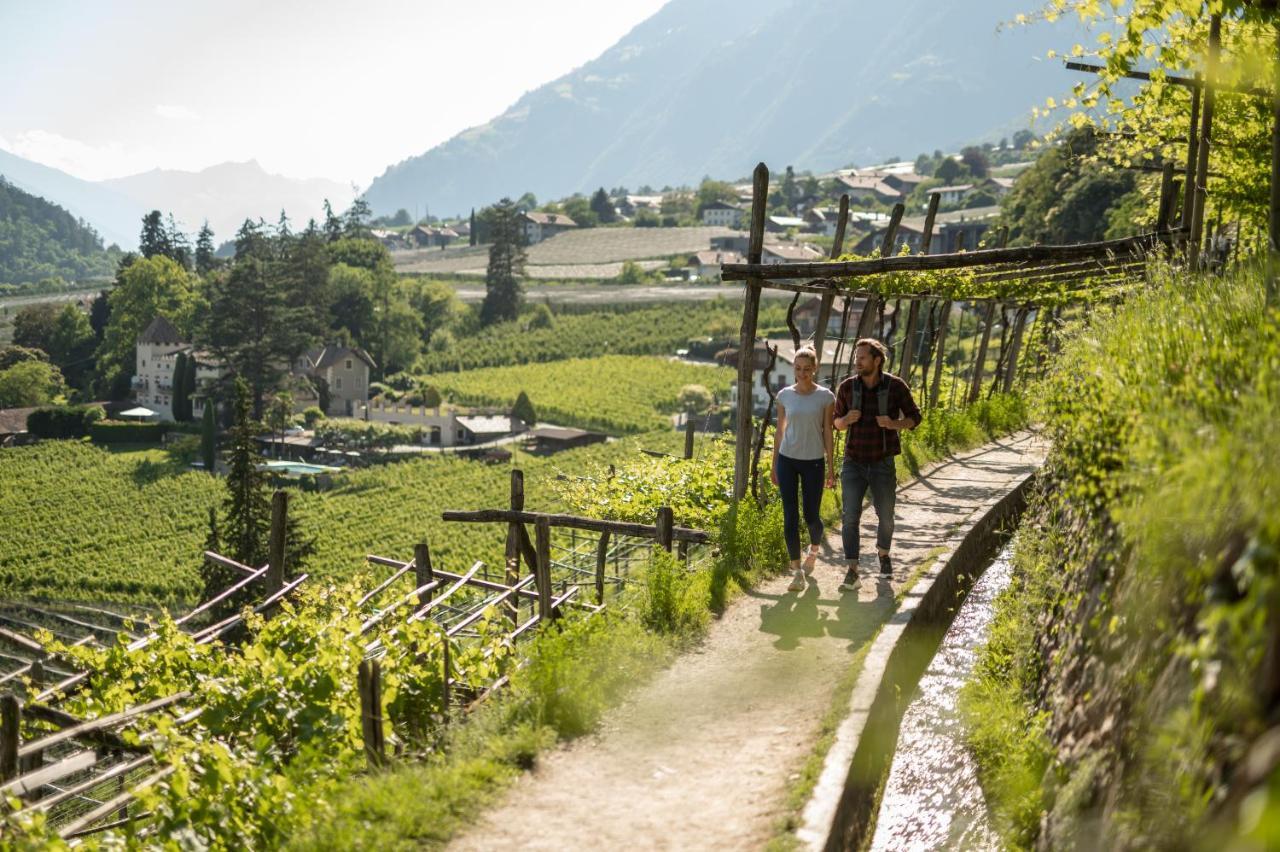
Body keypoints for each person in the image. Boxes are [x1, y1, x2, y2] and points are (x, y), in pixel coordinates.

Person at [832, 338, 922, 592]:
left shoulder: (895, 387)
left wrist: (894, 424)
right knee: (850, 517)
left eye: (862, 357)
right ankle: (852, 570)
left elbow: (916, 417)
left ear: (877, 360)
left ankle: (883, 555)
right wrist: (845, 420)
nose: (856, 361)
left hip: (882, 462)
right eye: (856, 357)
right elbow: (834, 422)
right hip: (853, 463)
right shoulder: (848, 388)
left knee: (886, 517)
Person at [770, 346, 836, 592]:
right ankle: (796, 571)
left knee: (811, 516)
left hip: (814, 462)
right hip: (788, 459)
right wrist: (774, 463)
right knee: (790, 515)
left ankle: (814, 549)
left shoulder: (825, 397)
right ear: (793, 368)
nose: (802, 373)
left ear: (815, 369)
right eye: (798, 368)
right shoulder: (785, 395)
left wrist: (830, 467)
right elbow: (780, 431)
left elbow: (828, 432)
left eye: (807, 369)